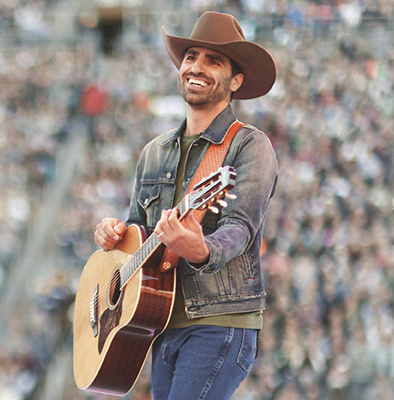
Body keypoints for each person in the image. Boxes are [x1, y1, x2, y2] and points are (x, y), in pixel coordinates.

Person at [93, 12, 278, 400]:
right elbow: (136, 230)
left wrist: (202, 249)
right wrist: (112, 233)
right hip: (159, 324)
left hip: (218, 321)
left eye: (214, 61)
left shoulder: (249, 145)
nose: (197, 67)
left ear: (236, 81)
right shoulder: (153, 152)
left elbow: (240, 228)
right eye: (192, 56)